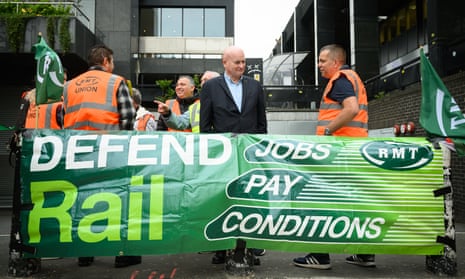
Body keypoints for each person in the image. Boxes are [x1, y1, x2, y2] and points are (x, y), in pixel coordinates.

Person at [292, 44, 370, 270]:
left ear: (335, 62)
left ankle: (319, 255)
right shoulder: (354, 78)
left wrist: (328, 131)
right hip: (354, 149)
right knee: (355, 202)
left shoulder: (340, 79)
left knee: (321, 200)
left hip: (338, 151)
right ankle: (365, 254)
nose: (319, 65)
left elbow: (351, 108)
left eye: (322, 60)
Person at [62, 44, 140, 268]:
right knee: (115, 201)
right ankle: (121, 253)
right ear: (106, 60)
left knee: (83, 200)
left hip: (77, 152)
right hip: (110, 152)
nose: (112, 66)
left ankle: (85, 253)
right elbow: (127, 119)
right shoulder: (116, 82)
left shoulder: (70, 86)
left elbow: (64, 116)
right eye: (112, 61)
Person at [199, 46, 267, 273]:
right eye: (237, 62)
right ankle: (221, 248)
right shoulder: (210, 87)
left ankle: (248, 247)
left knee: (249, 199)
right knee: (224, 197)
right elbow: (205, 126)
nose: (241, 66)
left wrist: (259, 151)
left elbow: (261, 124)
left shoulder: (255, 87)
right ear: (225, 63)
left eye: (243, 62)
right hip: (223, 155)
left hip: (249, 154)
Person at [155, 71, 220, 131]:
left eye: (206, 80)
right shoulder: (196, 107)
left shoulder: (227, 100)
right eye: (202, 81)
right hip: (193, 143)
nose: (202, 83)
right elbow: (180, 122)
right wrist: (167, 114)